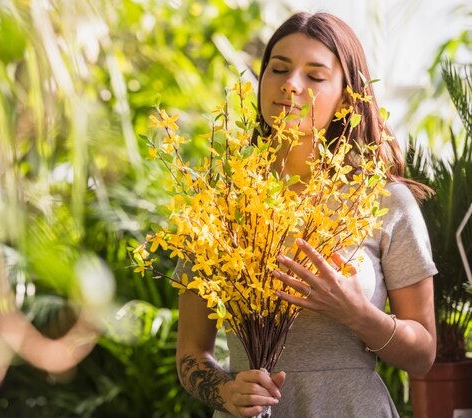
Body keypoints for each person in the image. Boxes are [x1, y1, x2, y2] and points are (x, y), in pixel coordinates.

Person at [175, 11, 437, 418]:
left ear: (347, 97)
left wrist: (358, 313)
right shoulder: (221, 206)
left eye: (315, 76)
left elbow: (423, 354)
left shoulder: (384, 201)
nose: (291, 84)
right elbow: (191, 355)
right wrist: (226, 392)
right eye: (278, 69)